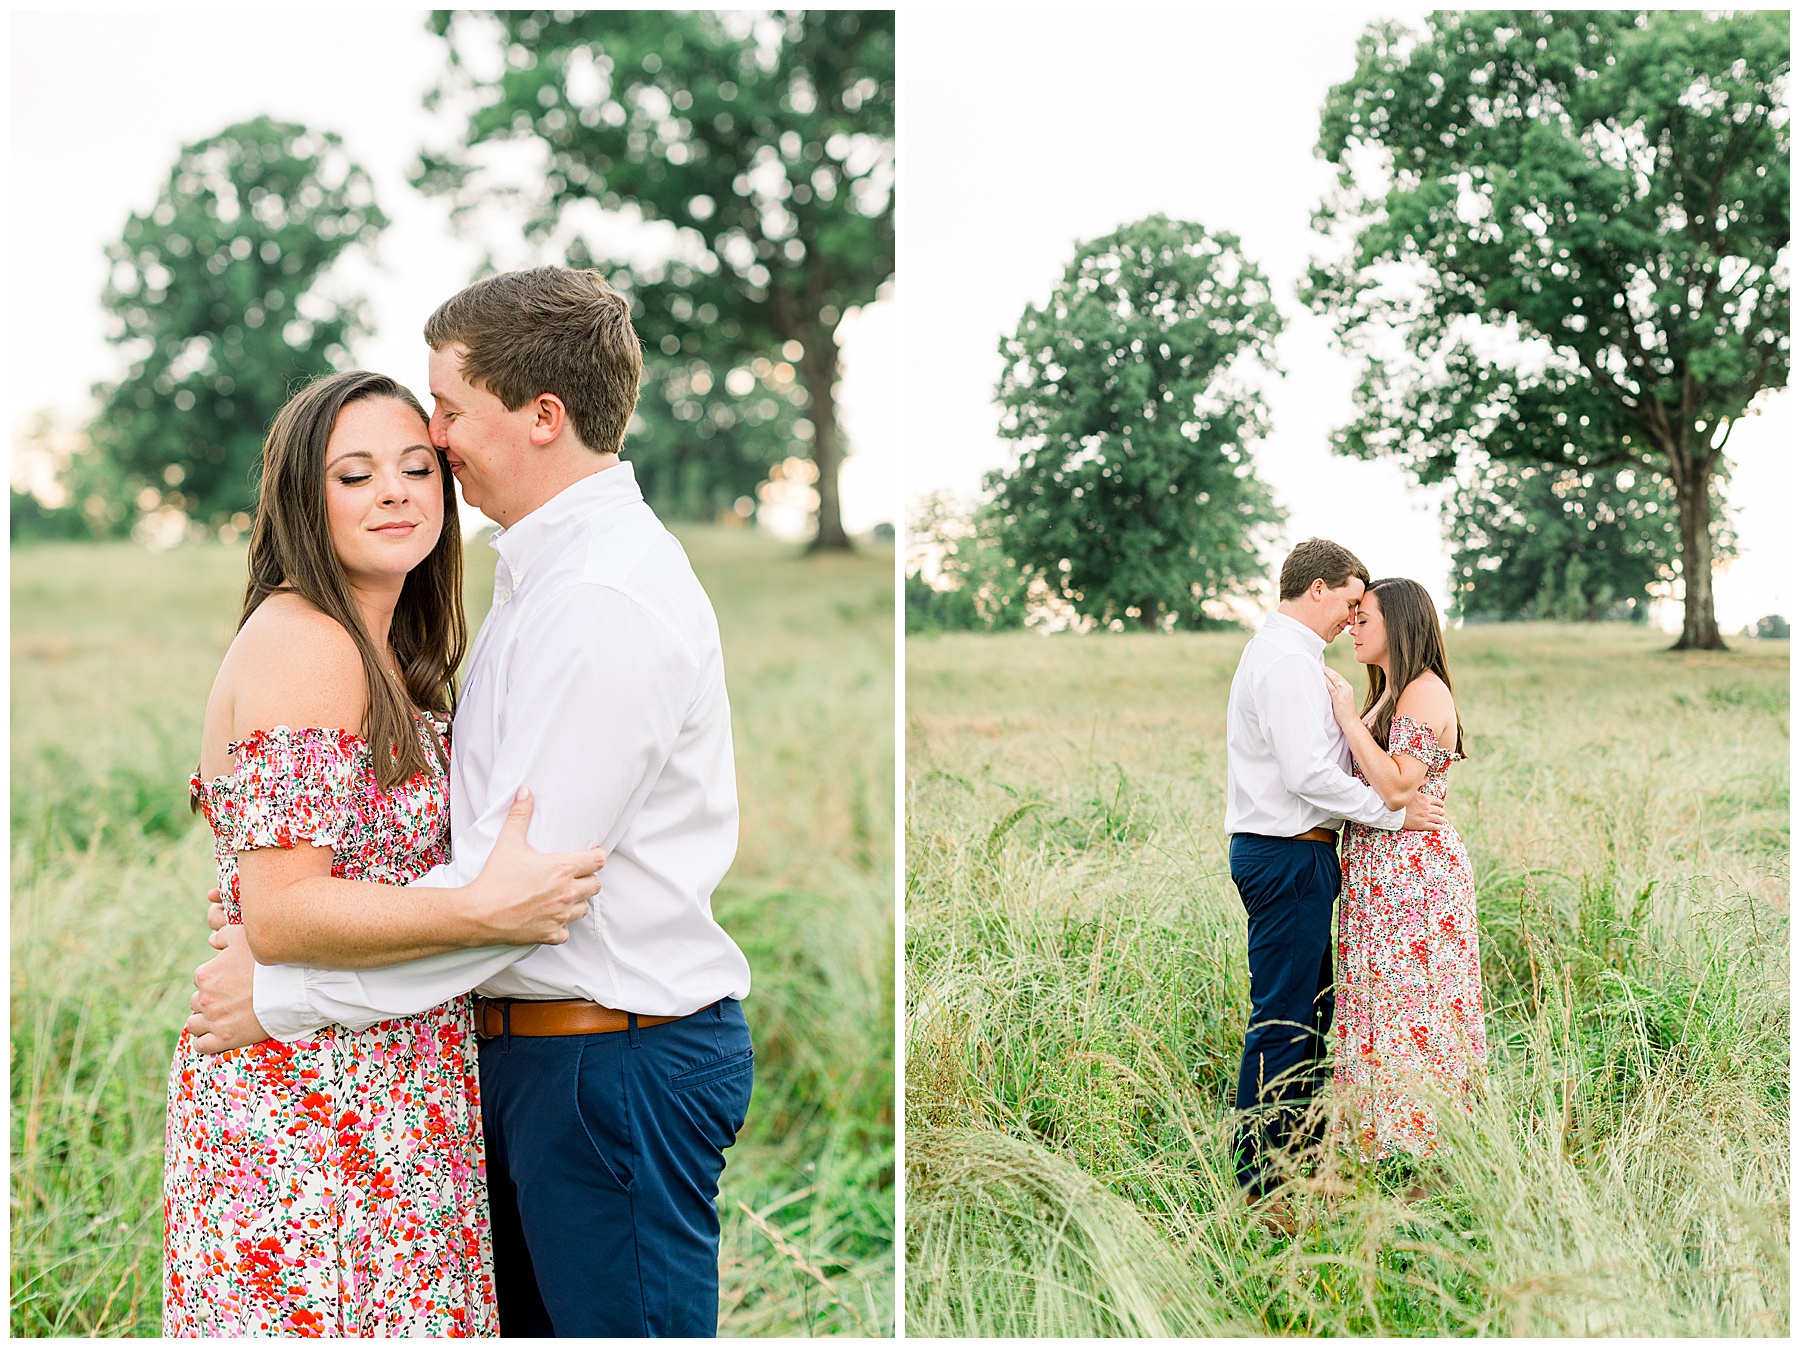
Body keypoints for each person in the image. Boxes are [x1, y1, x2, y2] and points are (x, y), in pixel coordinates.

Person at [185, 267, 756, 1338]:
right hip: (461, 1075)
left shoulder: (597, 601)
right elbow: (482, 895)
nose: (433, 449)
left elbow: (525, 895)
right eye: (360, 471)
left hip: (602, 1061)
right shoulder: (526, 582)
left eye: (440, 420)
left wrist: (287, 993)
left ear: (542, 417)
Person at [166, 370, 607, 1336]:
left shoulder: (382, 647)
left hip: (389, 1086)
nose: (397, 492)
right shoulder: (310, 646)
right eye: (355, 475)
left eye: (417, 467)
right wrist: (487, 909)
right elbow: (283, 916)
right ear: (301, 499)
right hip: (316, 1107)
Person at [1221, 537, 1446, 1230]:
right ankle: (1265, 1187)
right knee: (1285, 1022)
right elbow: (1307, 777)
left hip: (1300, 853)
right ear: (1317, 589)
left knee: (1311, 1020)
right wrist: (1394, 810)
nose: (1353, 619)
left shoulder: (1296, 658)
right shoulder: (1287, 661)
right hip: (1286, 855)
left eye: (1363, 611)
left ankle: (1302, 1165)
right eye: (1350, 602)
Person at [1323, 576, 1486, 1167]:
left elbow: (1395, 785)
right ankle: (1383, 1145)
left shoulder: (1421, 691)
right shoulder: (1390, 691)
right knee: (1377, 1005)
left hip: (1415, 879)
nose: (1353, 627)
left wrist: (1345, 718)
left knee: (1417, 1009)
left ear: (1399, 623)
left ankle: (1430, 1154)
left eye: (1364, 617)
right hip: (1380, 873)